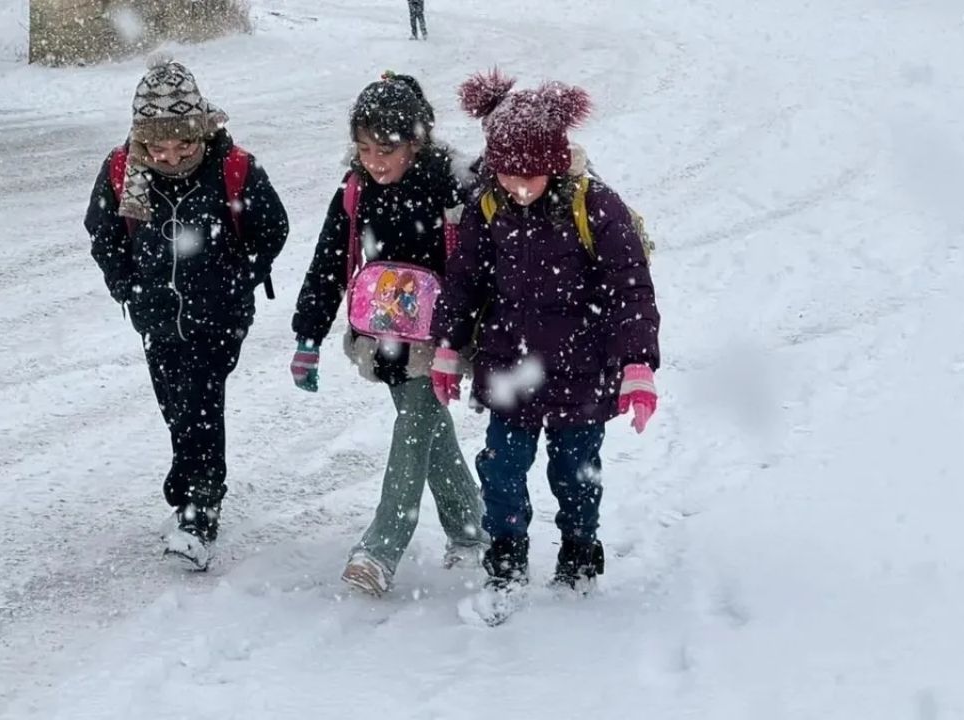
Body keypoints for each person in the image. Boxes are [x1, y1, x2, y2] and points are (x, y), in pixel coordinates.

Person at [431, 70, 661, 618]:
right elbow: (465, 281)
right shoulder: (490, 206)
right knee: (501, 470)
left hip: (582, 373)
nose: (519, 187)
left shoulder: (596, 207)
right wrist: (447, 346)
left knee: (574, 472)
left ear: (554, 163)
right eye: (508, 174)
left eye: (530, 175)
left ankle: (580, 554)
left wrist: (638, 365)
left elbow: (630, 288)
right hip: (508, 368)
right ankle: (506, 558)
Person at [84, 58, 289, 570]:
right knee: (174, 401)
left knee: (200, 396)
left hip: (219, 315)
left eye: (183, 146)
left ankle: (201, 506)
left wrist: (239, 278)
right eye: (158, 148)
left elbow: (274, 228)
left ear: (201, 131)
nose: (171, 157)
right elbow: (102, 235)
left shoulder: (233, 167)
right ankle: (187, 481)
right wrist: (125, 285)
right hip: (155, 315)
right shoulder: (122, 172)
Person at [291, 72, 488, 596]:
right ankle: (471, 530)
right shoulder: (355, 190)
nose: (374, 161)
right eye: (363, 148)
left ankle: (381, 548)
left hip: (439, 335)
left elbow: (482, 262)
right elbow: (329, 261)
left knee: (415, 423)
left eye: (386, 149)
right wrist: (307, 336)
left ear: (417, 142)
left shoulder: (452, 185)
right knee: (424, 426)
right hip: (382, 334)